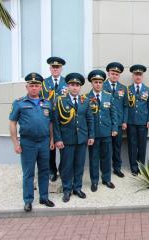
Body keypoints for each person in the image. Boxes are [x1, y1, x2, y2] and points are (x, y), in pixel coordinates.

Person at [9, 72, 55, 212]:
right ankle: (28, 200)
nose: (34, 88)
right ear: (27, 86)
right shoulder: (19, 103)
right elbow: (12, 123)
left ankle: (44, 197)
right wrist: (15, 143)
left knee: (44, 171)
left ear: (41, 87)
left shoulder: (47, 103)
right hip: (27, 143)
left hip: (44, 142)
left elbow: (51, 123)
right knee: (28, 173)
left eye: (37, 85)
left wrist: (52, 139)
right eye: (31, 85)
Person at [53, 73, 95, 202]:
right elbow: (56, 122)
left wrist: (91, 135)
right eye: (72, 85)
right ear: (68, 86)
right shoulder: (60, 100)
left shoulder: (85, 101)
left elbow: (89, 119)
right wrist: (58, 139)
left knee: (79, 165)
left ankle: (77, 188)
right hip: (66, 140)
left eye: (77, 85)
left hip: (81, 139)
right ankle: (66, 189)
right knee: (66, 166)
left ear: (80, 87)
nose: (75, 87)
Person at [87, 70, 118, 192]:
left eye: (100, 82)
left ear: (102, 83)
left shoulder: (108, 96)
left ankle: (106, 179)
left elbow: (113, 113)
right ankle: (94, 181)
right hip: (93, 134)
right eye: (95, 82)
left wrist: (115, 128)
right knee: (94, 158)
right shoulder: (86, 98)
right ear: (92, 83)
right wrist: (89, 134)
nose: (98, 84)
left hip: (106, 133)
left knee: (106, 157)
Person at [41, 56, 67, 182]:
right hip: (48, 119)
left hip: (64, 119)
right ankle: (52, 170)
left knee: (64, 146)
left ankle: (63, 169)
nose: (55, 69)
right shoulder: (44, 83)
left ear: (61, 69)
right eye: (53, 67)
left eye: (58, 67)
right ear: (50, 68)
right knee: (49, 147)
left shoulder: (67, 82)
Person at [126, 64, 149, 176]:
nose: (138, 77)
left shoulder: (147, 90)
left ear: (142, 76)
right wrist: (125, 121)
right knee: (132, 145)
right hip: (131, 121)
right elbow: (125, 106)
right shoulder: (128, 89)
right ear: (132, 76)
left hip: (143, 122)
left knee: (142, 145)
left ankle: (140, 166)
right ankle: (133, 167)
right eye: (136, 74)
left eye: (140, 74)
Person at [103, 62, 128, 178]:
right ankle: (105, 169)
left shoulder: (123, 88)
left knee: (117, 147)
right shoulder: (102, 86)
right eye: (112, 73)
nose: (114, 76)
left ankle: (117, 168)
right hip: (105, 123)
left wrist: (124, 121)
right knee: (106, 148)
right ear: (108, 73)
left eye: (117, 74)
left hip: (118, 123)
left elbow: (125, 106)